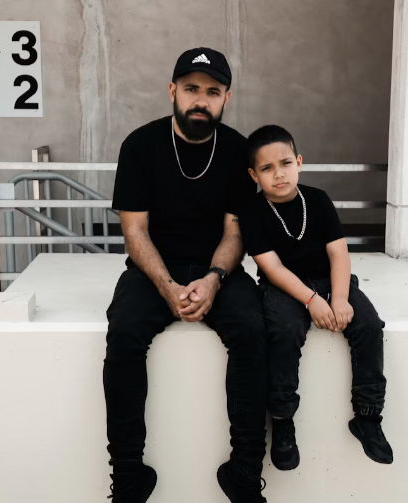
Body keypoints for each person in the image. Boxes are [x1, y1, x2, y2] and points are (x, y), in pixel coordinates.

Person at [103, 48, 268, 502]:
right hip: (154, 266)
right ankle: (129, 474)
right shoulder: (140, 145)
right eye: (192, 88)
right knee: (124, 333)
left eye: (212, 92)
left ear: (226, 98)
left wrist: (214, 278)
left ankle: (245, 472)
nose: (202, 100)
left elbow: (235, 231)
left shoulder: (238, 151)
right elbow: (134, 231)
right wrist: (167, 286)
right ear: (173, 89)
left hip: (218, 267)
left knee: (253, 331)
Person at [239, 125, 393, 471]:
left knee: (368, 325)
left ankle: (368, 416)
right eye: (267, 168)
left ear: (299, 162)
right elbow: (272, 267)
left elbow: (339, 255)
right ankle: (281, 419)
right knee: (282, 332)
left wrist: (339, 298)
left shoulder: (318, 200)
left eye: (285, 163)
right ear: (254, 174)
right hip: (284, 286)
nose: (279, 174)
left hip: (330, 279)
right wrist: (311, 300)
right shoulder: (253, 212)